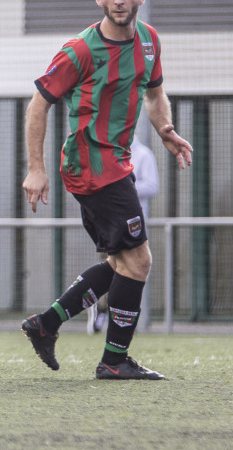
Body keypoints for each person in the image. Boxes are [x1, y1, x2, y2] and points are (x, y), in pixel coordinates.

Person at [20, 0, 193, 380]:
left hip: (117, 164)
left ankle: (46, 324)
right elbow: (38, 104)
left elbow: (154, 94)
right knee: (140, 262)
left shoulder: (149, 41)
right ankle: (113, 362)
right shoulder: (80, 49)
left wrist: (166, 128)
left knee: (121, 262)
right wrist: (35, 168)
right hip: (92, 167)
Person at [87, 132, 158, 334]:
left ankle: (123, 316)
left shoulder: (143, 154)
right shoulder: (107, 153)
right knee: (111, 267)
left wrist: (124, 188)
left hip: (134, 225)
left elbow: (152, 185)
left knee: (134, 269)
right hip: (109, 221)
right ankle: (100, 309)